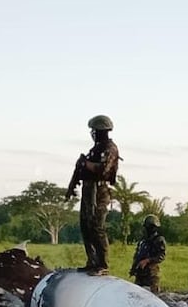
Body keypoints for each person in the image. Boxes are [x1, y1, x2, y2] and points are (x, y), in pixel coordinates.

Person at [69, 114, 120, 275]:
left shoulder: (109, 148)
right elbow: (81, 170)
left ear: (102, 131)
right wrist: (71, 187)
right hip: (88, 190)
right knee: (86, 226)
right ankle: (92, 261)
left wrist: (86, 164)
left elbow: (103, 169)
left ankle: (102, 264)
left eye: (95, 130)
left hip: (100, 191)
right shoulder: (95, 149)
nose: (93, 133)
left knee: (97, 227)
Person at [129, 214, 166, 293]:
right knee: (137, 295)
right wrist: (133, 268)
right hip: (140, 273)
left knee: (153, 297)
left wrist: (148, 260)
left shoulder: (159, 240)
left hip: (151, 273)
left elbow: (161, 256)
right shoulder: (143, 241)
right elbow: (137, 254)